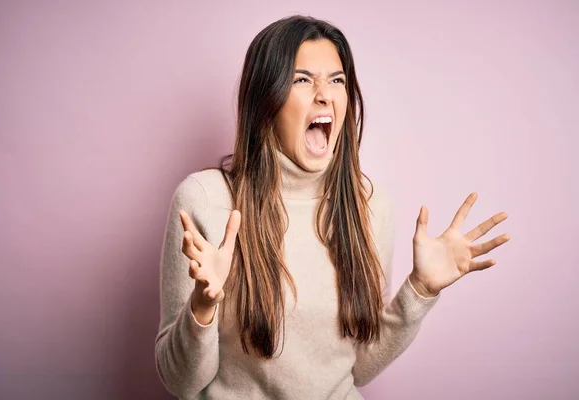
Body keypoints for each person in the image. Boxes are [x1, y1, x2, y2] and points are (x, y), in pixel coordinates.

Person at [154, 15, 510, 399]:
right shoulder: (205, 201)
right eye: (302, 79)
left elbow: (357, 367)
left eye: (337, 80)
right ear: (266, 99)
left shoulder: (369, 207)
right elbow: (182, 382)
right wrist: (203, 306)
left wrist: (419, 291)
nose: (325, 94)